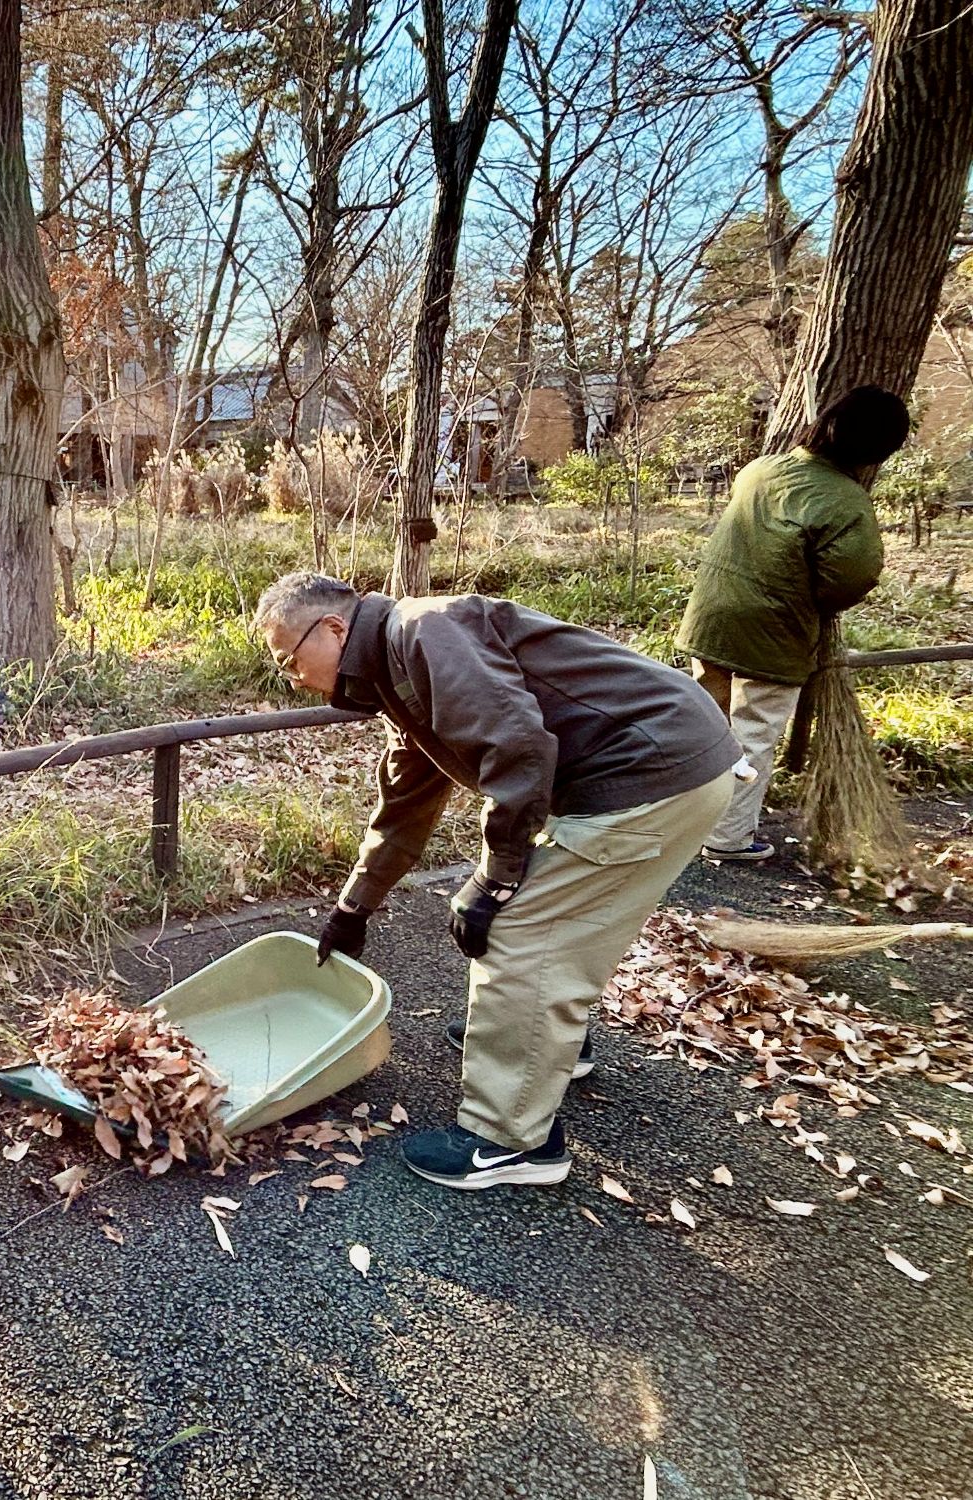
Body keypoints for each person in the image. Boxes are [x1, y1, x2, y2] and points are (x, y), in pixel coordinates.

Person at [256, 572, 743, 1189]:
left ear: (331, 628)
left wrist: (495, 879)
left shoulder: (424, 633)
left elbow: (517, 749)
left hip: (649, 774)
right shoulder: (396, 672)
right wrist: (353, 910)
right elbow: (405, 803)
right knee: (560, 917)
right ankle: (543, 1048)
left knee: (519, 931)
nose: (290, 677)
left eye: (288, 659)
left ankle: (508, 1141)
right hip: (665, 764)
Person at [675, 385, 910, 860]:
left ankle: (684, 823)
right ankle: (726, 839)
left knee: (707, 726)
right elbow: (850, 578)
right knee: (752, 734)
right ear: (877, 451)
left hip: (711, 619)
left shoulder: (760, 470)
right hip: (773, 630)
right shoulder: (846, 501)